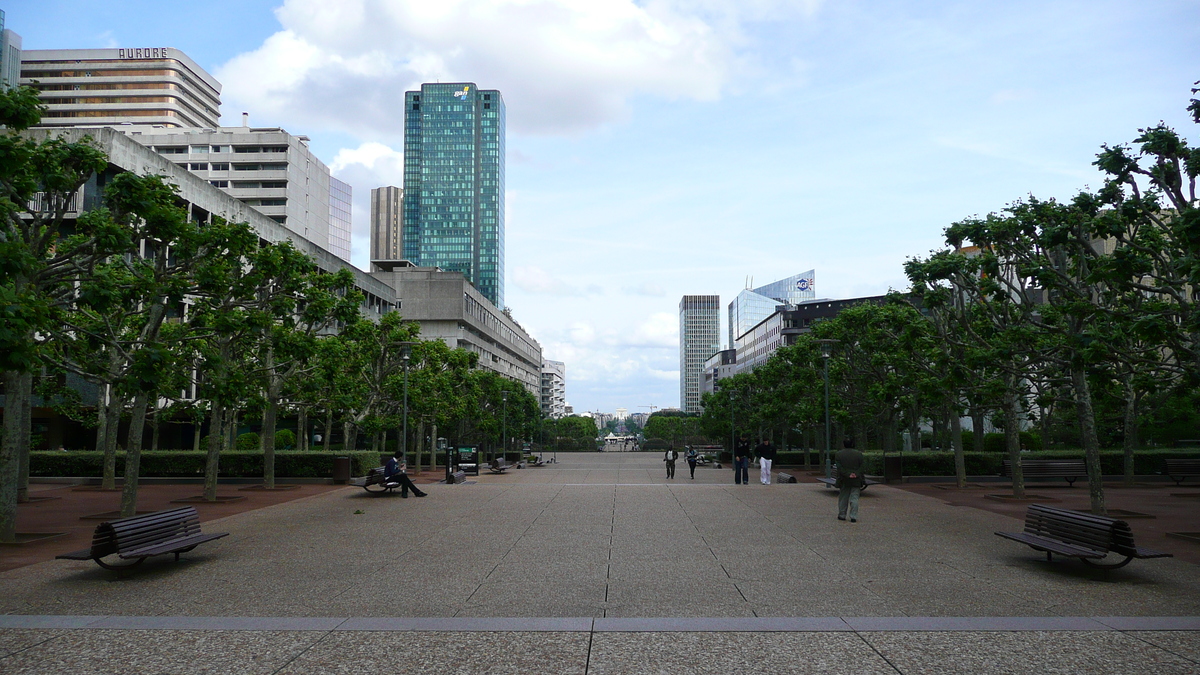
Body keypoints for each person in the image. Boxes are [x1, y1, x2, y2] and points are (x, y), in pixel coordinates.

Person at [835, 438, 865, 522]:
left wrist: (848, 474)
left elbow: (839, 468)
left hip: (844, 479)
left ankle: (842, 515)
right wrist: (856, 473)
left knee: (843, 497)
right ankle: (853, 516)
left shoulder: (838, 454)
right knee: (854, 498)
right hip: (856, 479)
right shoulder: (859, 454)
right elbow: (862, 466)